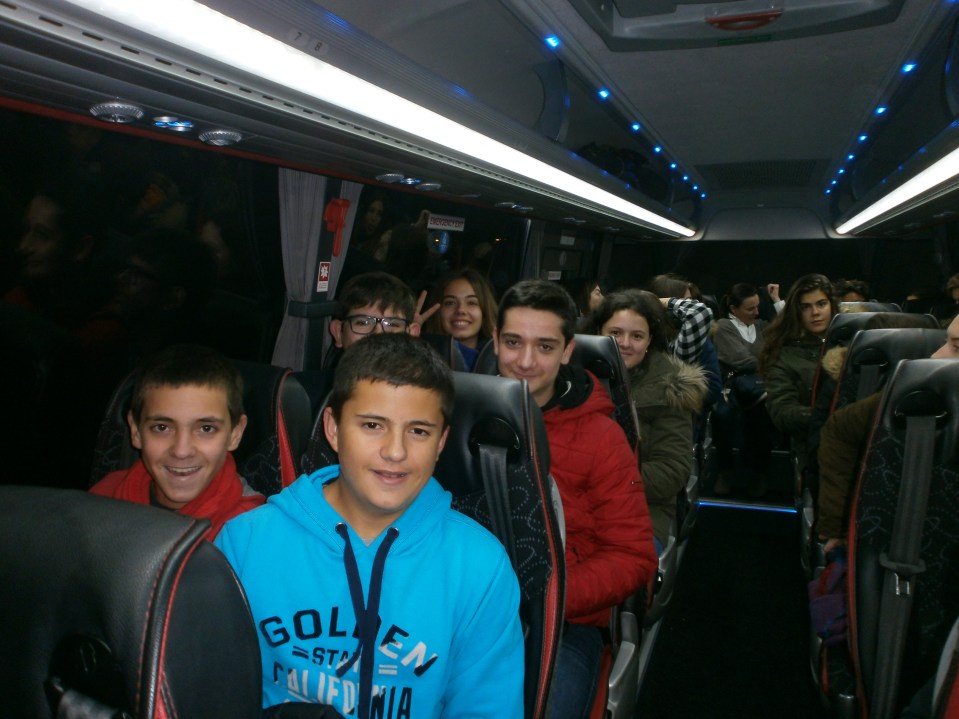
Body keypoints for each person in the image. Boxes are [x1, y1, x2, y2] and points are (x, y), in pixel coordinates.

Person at [215, 333, 524, 717]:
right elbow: (212, 693)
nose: (395, 451)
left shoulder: (480, 567)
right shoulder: (245, 543)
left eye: (419, 431)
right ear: (333, 428)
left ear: (442, 442)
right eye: (373, 425)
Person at [492, 279, 657, 719]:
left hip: (564, 620)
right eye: (513, 342)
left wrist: (545, 597)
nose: (526, 361)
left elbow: (633, 556)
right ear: (495, 341)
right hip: (464, 610)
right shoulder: (458, 416)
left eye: (545, 347)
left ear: (568, 351)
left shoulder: (602, 437)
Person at [816, 314, 959, 552]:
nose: (935, 355)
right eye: (947, 342)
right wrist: (836, 523)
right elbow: (838, 430)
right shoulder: (917, 397)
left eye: (956, 347)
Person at [89, 344, 261, 540]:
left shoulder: (253, 532)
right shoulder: (103, 498)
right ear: (136, 431)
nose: (181, 451)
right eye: (162, 428)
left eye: (206, 429)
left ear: (235, 434)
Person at [592, 289, 708, 548]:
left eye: (637, 336)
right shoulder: (571, 377)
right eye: (615, 333)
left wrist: (599, 479)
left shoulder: (670, 388)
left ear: (649, 341)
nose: (624, 343)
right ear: (598, 332)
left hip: (641, 511)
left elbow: (671, 472)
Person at [759, 274, 839, 482]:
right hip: (815, 447)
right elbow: (782, 411)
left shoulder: (856, 344)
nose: (815, 313)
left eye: (821, 304)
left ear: (832, 305)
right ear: (796, 312)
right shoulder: (784, 354)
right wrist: (829, 418)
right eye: (806, 307)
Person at [712, 282, 783, 495]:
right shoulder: (723, 326)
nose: (757, 312)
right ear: (734, 309)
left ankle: (758, 473)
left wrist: (776, 300)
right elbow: (739, 359)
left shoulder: (761, 326)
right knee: (723, 416)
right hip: (731, 387)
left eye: (758, 306)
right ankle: (725, 471)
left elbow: (788, 330)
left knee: (763, 414)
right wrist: (770, 361)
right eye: (750, 308)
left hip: (759, 387)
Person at [428, 267, 497, 371]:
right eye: (450, 303)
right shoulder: (421, 360)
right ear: (438, 311)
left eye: (471, 303)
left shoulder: (502, 362)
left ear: (485, 312)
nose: (460, 310)